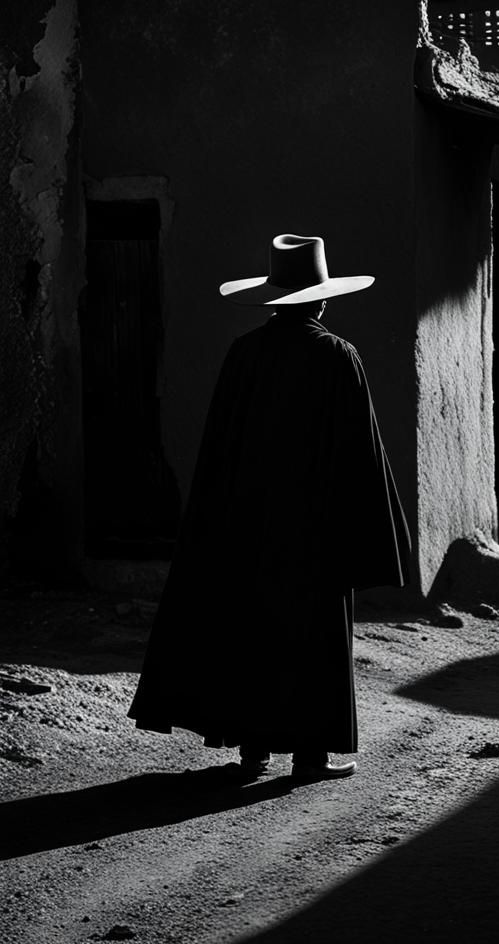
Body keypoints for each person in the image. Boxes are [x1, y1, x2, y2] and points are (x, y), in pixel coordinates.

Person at [128, 234, 410, 784]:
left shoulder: (244, 355)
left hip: (247, 527)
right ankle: (310, 756)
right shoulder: (338, 356)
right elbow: (359, 454)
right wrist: (364, 538)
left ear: (274, 298)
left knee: (251, 632)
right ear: (322, 301)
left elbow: (219, 451)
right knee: (315, 639)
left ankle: (253, 751)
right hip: (315, 531)